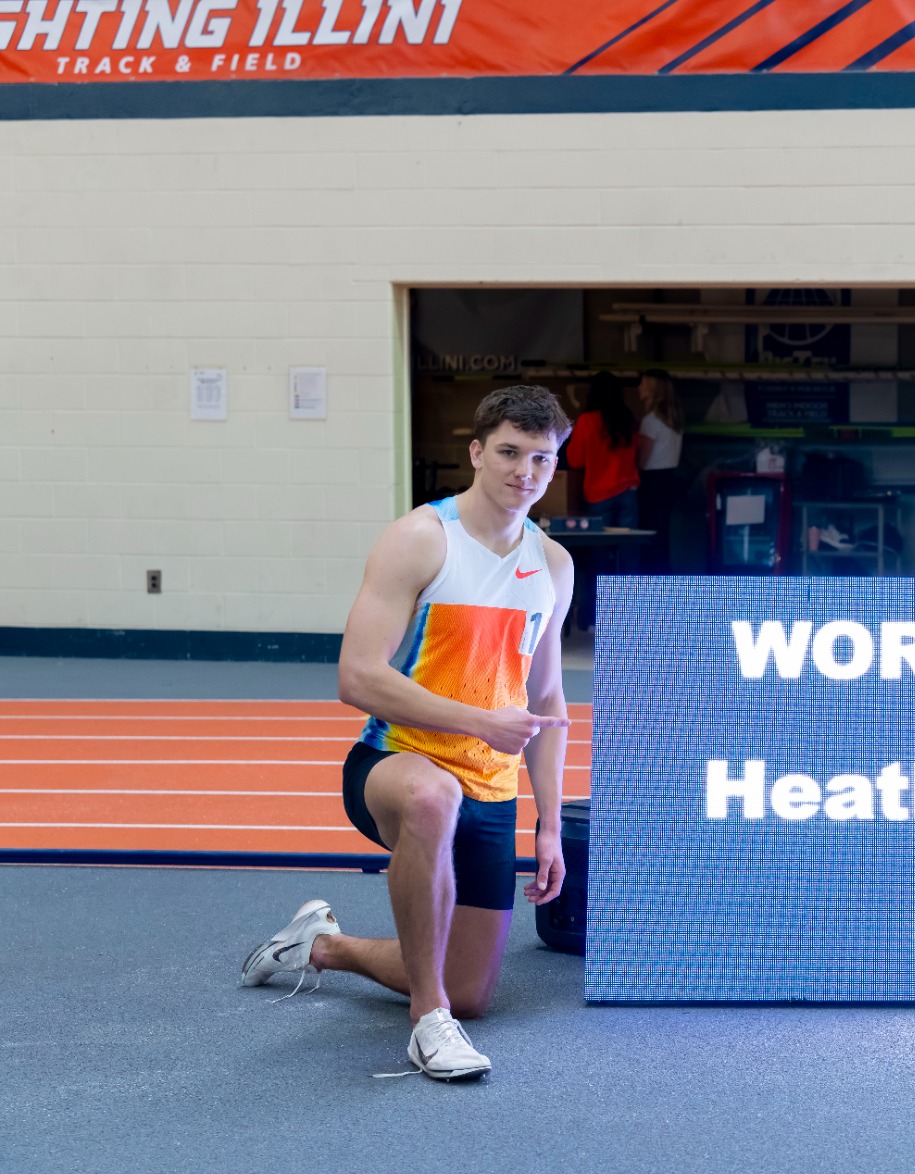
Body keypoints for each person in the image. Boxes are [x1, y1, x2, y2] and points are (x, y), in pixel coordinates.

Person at [238, 385, 576, 1081]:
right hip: (395, 762)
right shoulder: (422, 538)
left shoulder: (552, 564)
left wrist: (549, 822)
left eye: (541, 458)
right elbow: (357, 677)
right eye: (510, 452)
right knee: (432, 798)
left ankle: (325, 945)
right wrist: (482, 720)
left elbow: (545, 698)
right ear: (477, 451)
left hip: (489, 785)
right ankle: (428, 1023)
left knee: (475, 991)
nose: (525, 472)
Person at [567, 371, 642, 529]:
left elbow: (575, 460)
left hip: (598, 494)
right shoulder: (628, 419)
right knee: (629, 543)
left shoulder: (587, 421)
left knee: (599, 544)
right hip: (628, 490)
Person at [636, 371, 685, 573]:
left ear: (651, 390)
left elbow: (643, 459)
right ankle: (662, 574)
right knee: (663, 533)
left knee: (649, 533)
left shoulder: (651, 421)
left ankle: (650, 575)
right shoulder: (674, 419)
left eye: (642, 384)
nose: (638, 388)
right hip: (669, 478)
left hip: (652, 482)